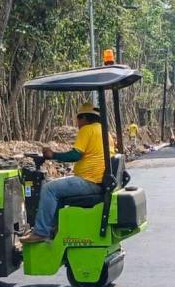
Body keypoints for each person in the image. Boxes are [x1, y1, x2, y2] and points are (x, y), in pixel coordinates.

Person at [20, 103, 113, 244]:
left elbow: (75, 155)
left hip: (89, 181)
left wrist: (53, 154)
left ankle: (40, 232)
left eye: (78, 120)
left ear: (84, 118)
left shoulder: (87, 129)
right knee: (58, 193)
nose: (78, 124)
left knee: (49, 188)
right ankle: (55, 229)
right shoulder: (105, 132)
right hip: (98, 181)